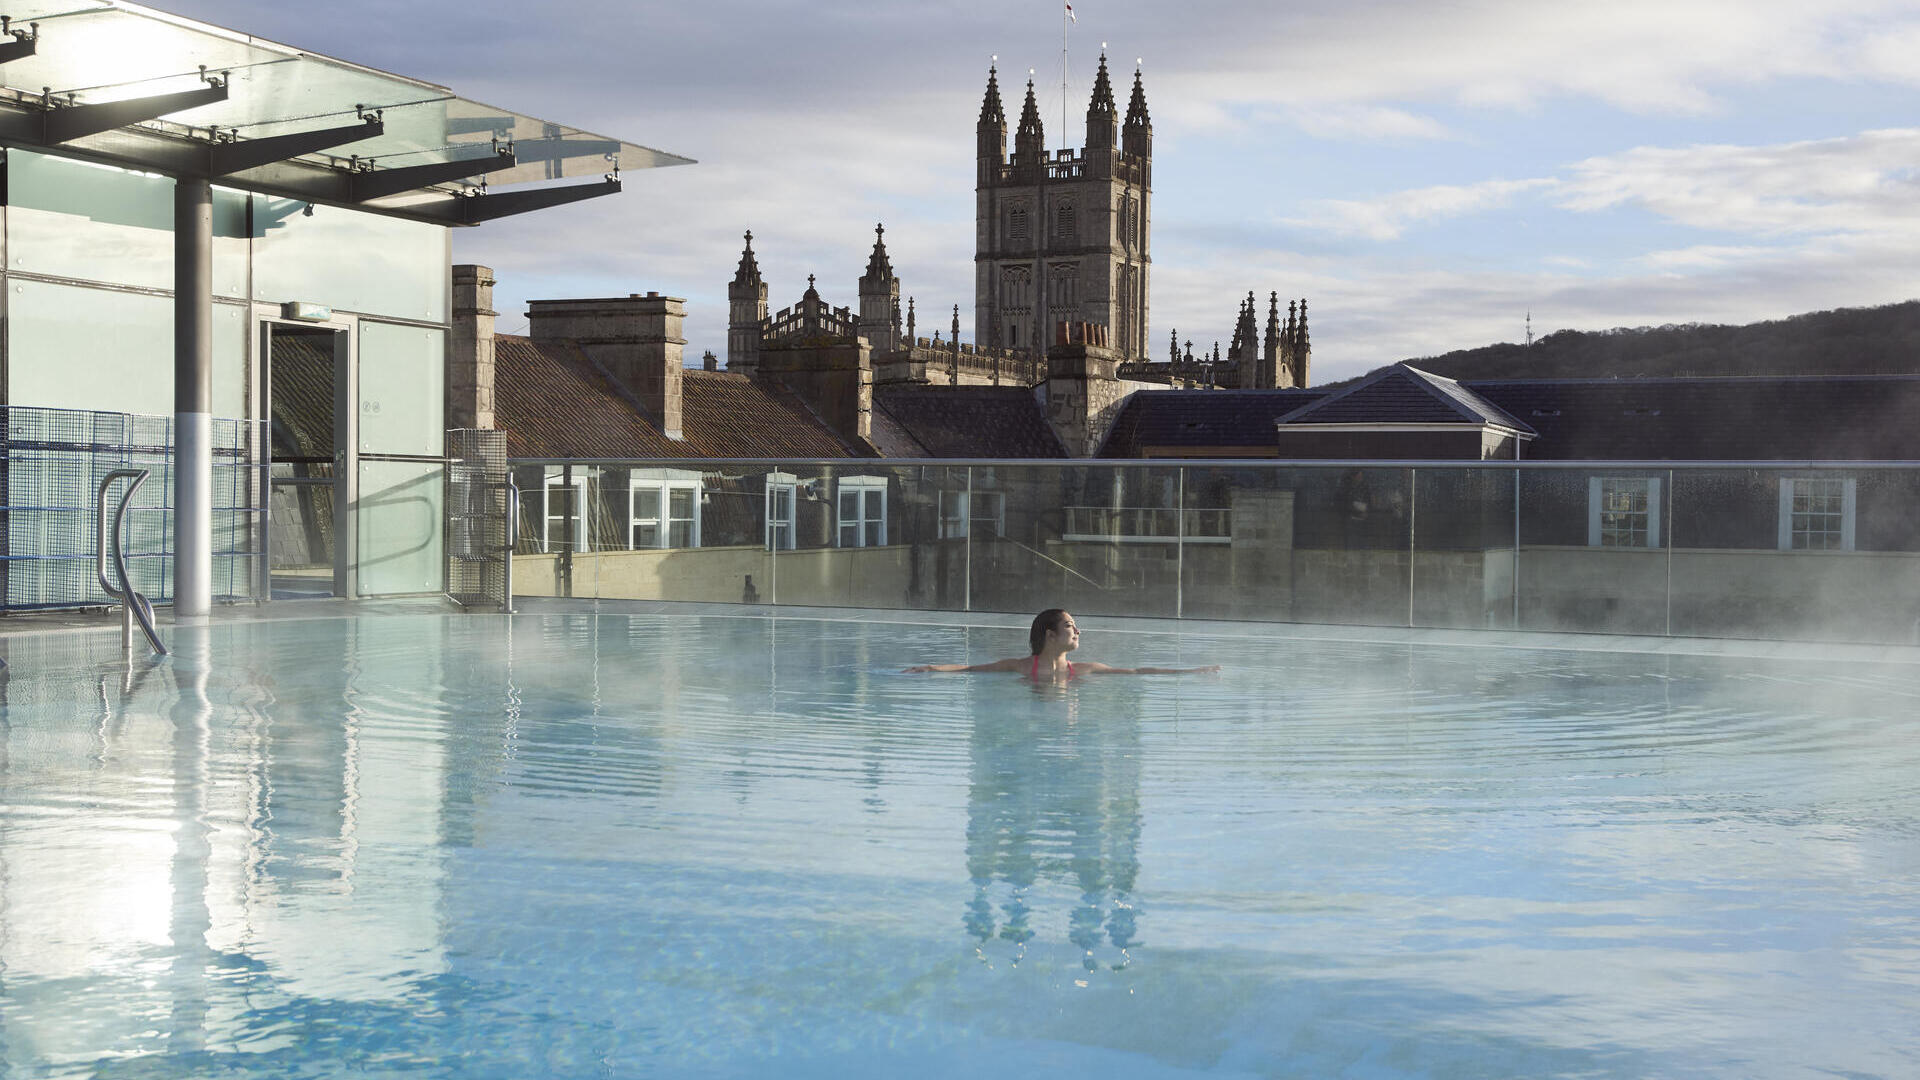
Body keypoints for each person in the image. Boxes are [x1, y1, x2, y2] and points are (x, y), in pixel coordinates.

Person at [904, 609, 1220, 680]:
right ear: (1050, 635)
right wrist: (931, 667)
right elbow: (970, 668)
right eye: (1070, 626)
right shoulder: (1022, 666)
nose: (1078, 630)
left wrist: (1190, 671)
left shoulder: (1083, 669)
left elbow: (1137, 671)